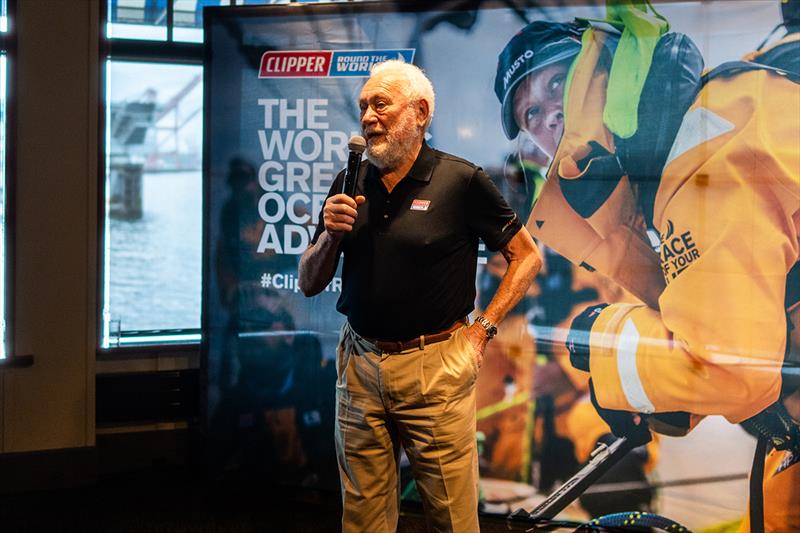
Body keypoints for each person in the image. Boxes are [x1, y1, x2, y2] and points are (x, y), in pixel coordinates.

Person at [494, 9, 799, 532]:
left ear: (606, 67)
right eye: (529, 114)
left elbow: (732, 368)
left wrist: (603, 342)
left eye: (557, 82)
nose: (546, 115)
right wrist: (681, 399)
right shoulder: (675, 154)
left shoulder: (702, 151)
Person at [298, 59, 542, 532]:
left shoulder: (460, 181)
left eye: (381, 105)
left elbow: (526, 257)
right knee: (362, 517)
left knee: (451, 518)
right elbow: (309, 281)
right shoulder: (350, 183)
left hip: (436, 368)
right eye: (364, 106)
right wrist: (329, 237)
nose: (368, 117)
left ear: (421, 113)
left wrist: (482, 332)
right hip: (360, 365)